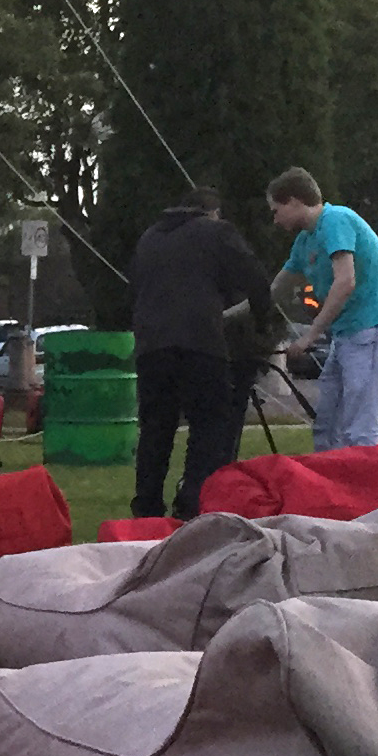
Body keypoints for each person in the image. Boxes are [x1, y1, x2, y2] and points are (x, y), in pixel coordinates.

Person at [129, 182, 276, 517]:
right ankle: (192, 499)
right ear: (212, 213)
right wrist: (262, 325)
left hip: (152, 345)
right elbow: (255, 278)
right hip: (200, 343)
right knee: (208, 423)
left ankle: (146, 506)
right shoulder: (216, 232)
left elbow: (135, 287)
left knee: (156, 428)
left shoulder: (149, 237)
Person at [267, 166, 378, 451]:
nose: (275, 219)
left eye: (276, 210)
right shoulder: (305, 241)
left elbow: (345, 281)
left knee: (359, 429)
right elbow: (275, 290)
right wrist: (224, 317)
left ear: (294, 201)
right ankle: (331, 489)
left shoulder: (335, 220)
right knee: (327, 427)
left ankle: (366, 491)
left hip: (371, 332)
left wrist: (309, 336)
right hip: (346, 337)